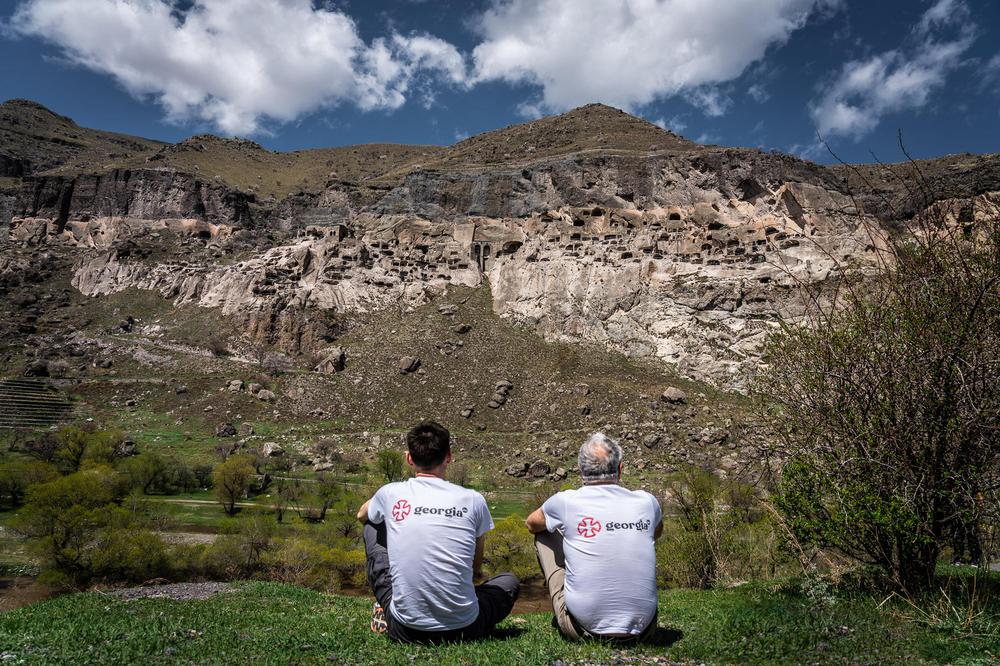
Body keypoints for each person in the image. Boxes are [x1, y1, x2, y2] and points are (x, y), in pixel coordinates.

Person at [357, 420, 519, 643]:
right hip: (466, 628)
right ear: (449, 456)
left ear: (409, 458)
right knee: (508, 581)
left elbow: (361, 515)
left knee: (372, 524)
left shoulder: (391, 493)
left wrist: (381, 504)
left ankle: (389, 604)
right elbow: (475, 568)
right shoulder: (473, 500)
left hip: (405, 629)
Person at [525, 432, 662, 641]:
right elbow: (656, 532)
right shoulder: (647, 502)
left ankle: (575, 600)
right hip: (644, 630)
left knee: (544, 533)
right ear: (620, 469)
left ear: (581, 471)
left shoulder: (566, 501)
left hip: (583, 630)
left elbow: (531, 524)